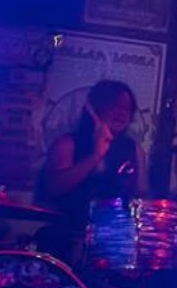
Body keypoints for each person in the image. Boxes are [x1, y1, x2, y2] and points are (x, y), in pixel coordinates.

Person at [37, 80, 147, 250]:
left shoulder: (133, 148)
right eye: (114, 106)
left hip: (113, 239)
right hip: (67, 235)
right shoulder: (68, 144)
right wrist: (95, 156)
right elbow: (54, 188)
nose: (121, 113)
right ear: (95, 109)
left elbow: (141, 193)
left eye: (127, 108)